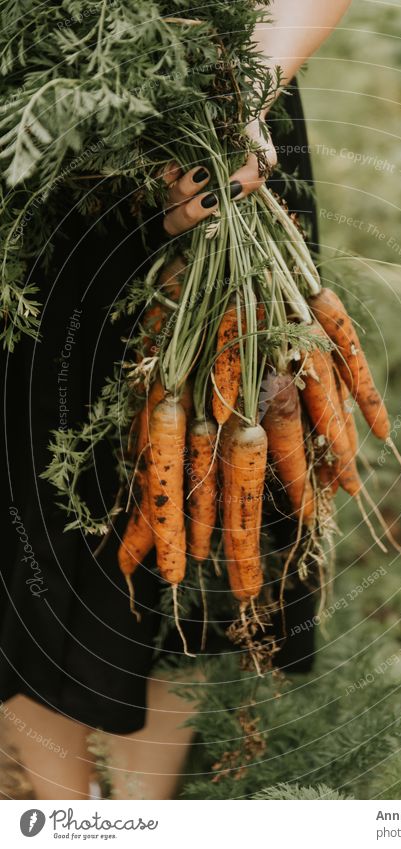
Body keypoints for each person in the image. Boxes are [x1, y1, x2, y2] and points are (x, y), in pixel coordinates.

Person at [0, 0, 351, 800]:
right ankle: (64, 808)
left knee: (213, 508)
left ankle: (143, 813)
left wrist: (245, 96)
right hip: (46, 132)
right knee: (44, 498)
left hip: (231, 119)